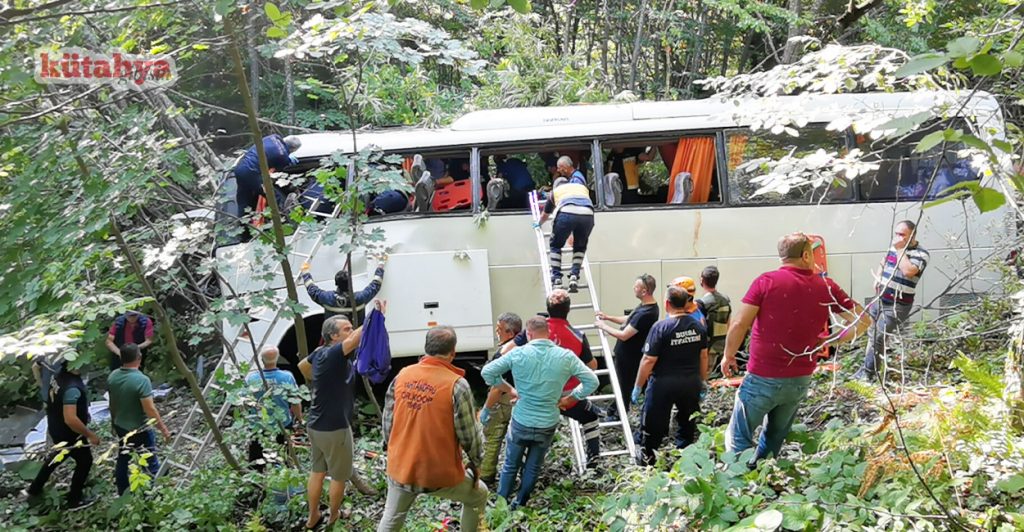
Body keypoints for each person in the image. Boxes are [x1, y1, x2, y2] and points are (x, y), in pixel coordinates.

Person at [721, 233, 871, 463]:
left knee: (737, 437)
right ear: (806, 255)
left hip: (762, 376)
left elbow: (740, 323)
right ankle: (763, 478)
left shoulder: (765, 281)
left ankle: (739, 483)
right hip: (799, 379)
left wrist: (728, 356)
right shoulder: (825, 285)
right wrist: (831, 339)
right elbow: (863, 321)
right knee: (774, 437)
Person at [481, 317, 598, 508]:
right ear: (549, 333)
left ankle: (501, 505)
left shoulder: (518, 353)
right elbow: (592, 380)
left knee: (510, 464)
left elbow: (487, 372)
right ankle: (520, 503)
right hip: (547, 422)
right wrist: (571, 398)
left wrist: (510, 389)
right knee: (533, 467)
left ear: (528, 333)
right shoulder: (565, 356)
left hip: (521, 421)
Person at [377, 327, 486, 532]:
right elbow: (469, 435)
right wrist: (476, 462)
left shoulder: (402, 375)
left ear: (425, 348)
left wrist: (391, 451)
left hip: (401, 466)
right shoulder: (457, 385)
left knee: (391, 517)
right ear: (453, 352)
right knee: (479, 495)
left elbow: (387, 421)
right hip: (437, 473)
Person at [298, 314, 367, 529]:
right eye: (346, 329)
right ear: (333, 336)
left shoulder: (320, 353)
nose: (351, 330)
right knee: (338, 477)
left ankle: (313, 517)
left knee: (317, 472)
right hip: (335, 428)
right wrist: (376, 314)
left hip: (315, 425)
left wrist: (320, 377)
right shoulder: (335, 354)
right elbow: (357, 337)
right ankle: (334, 515)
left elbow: (303, 366)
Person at [632, 286, 708, 465]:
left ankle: (649, 460)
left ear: (667, 304)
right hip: (690, 382)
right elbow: (703, 356)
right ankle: (685, 459)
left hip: (663, 383)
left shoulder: (660, 327)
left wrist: (638, 386)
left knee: (654, 422)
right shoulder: (698, 326)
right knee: (687, 422)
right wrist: (703, 382)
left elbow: (648, 360)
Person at [855, 220, 929, 381]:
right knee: (872, 333)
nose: (897, 237)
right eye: (896, 234)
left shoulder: (921, 254)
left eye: (902, 235)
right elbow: (884, 261)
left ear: (912, 236)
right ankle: (868, 369)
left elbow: (909, 271)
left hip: (898, 304)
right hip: (880, 298)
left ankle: (868, 374)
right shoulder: (894, 248)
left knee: (879, 335)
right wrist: (878, 277)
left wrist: (900, 249)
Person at [26, 359, 100, 509]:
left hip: (55, 425)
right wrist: (90, 434)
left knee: (58, 456)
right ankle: (74, 499)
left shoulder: (59, 375)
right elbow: (71, 419)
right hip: (69, 433)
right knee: (85, 462)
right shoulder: (72, 388)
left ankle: (34, 489)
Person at [594, 273, 660, 422]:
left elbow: (624, 335)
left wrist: (604, 327)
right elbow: (630, 319)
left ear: (644, 291)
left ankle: (619, 414)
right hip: (625, 353)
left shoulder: (647, 313)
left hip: (630, 356)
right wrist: (608, 317)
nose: (633, 288)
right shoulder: (645, 306)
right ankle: (613, 409)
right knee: (620, 383)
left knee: (624, 385)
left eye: (636, 286)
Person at [108, 343, 170, 495]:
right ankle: (155, 494)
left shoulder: (113, 376)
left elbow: (112, 402)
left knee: (123, 458)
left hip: (120, 425)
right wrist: (163, 429)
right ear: (139, 358)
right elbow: (149, 409)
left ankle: (122, 492)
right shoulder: (142, 380)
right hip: (140, 427)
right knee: (150, 459)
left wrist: (113, 420)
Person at [538, 156, 595, 292]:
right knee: (580, 246)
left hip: (567, 213)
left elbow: (545, 214)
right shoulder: (580, 187)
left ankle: (557, 278)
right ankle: (574, 276)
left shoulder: (556, 192)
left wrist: (538, 224)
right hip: (588, 214)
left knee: (555, 245)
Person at [478, 312, 523, 484]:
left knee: (492, 438)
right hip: (520, 400)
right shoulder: (524, 347)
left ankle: (486, 475)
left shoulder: (505, 353)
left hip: (503, 400)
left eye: (499, 329)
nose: (497, 332)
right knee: (518, 440)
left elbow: (497, 388)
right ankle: (516, 474)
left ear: (510, 333)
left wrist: (487, 408)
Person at [245, 346, 302, 472]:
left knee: (255, 458)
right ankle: (285, 480)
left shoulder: (252, 378)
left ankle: (257, 484)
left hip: (258, 425)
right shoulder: (287, 377)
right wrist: (300, 419)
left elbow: (245, 402)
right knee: (284, 455)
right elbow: (295, 402)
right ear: (277, 359)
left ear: (261, 359)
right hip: (282, 423)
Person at [300, 255, 387, 324]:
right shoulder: (360, 298)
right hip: (356, 340)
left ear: (336, 283)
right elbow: (375, 285)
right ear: (351, 284)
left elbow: (312, 289)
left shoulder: (327, 298)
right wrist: (381, 264)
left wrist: (305, 272)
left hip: (335, 341)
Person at [233, 134, 301, 215]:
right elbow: (276, 172)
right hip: (252, 174)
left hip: (240, 167)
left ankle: (242, 223)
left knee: (244, 199)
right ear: (292, 149)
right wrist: (288, 161)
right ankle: (284, 217)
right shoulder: (284, 157)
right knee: (274, 197)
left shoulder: (272, 137)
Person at [696, 266, 732, 369]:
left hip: (708, 350)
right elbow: (729, 324)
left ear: (702, 280)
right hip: (723, 348)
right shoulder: (726, 299)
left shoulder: (701, 303)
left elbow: (701, 329)